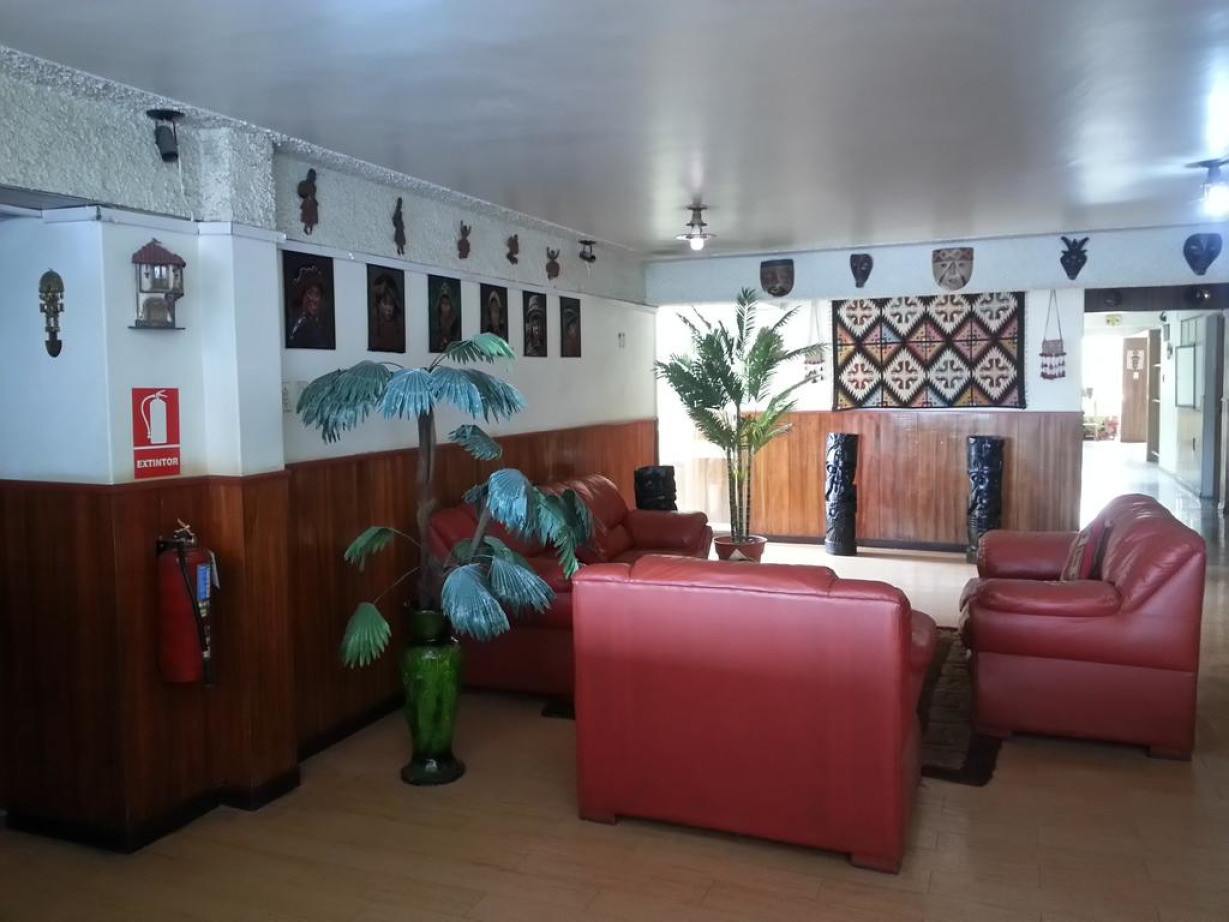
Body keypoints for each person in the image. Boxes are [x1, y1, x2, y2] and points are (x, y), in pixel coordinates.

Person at [288, 271, 330, 348]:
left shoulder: (316, 329)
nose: (314, 299)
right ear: (302, 295)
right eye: (310, 293)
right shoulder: (293, 320)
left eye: (317, 294)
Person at [369, 273, 404, 352]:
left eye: (391, 303)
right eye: (385, 302)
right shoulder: (374, 328)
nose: (389, 309)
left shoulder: (398, 329)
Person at [431, 282, 460, 352]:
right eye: (443, 303)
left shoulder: (455, 321)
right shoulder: (436, 321)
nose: (445, 307)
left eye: (447, 304)